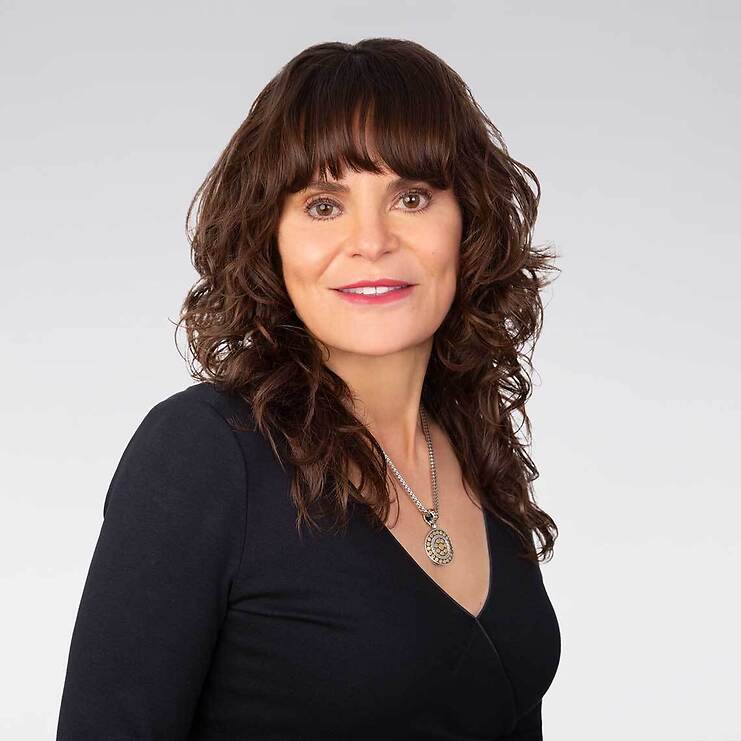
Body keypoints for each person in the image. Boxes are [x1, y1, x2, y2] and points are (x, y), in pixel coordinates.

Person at [56, 38, 562, 740]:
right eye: (324, 205)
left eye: (411, 197)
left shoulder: (476, 450)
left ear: (468, 223)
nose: (371, 241)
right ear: (270, 238)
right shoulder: (205, 454)